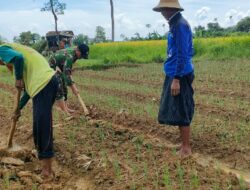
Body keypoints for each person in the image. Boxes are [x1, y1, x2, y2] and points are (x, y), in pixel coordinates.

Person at [0, 43, 58, 178]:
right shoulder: (20, 50)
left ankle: (47, 171)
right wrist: (18, 109)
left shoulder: (2, 49)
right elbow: (27, 92)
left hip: (43, 83)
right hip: (45, 84)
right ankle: (46, 168)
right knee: (38, 127)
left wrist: (18, 78)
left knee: (42, 127)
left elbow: (18, 58)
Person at [153, 0, 195, 157]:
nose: (162, 12)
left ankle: (186, 148)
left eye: (164, 9)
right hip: (175, 73)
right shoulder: (175, 23)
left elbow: (183, 54)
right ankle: (183, 143)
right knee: (177, 108)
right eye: (161, 9)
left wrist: (177, 78)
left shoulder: (180, 25)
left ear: (170, 9)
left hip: (180, 74)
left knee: (182, 108)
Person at [49, 44, 89, 115]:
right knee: (59, 85)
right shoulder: (70, 56)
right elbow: (67, 74)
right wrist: (74, 89)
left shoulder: (75, 54)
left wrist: (72, 84)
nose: (82, 57)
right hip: (52, 66)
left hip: (60, 65)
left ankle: (66, 107)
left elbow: (68, 71)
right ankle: (64, 110)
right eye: (82, 55)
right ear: (78, 51)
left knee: (64, 85)